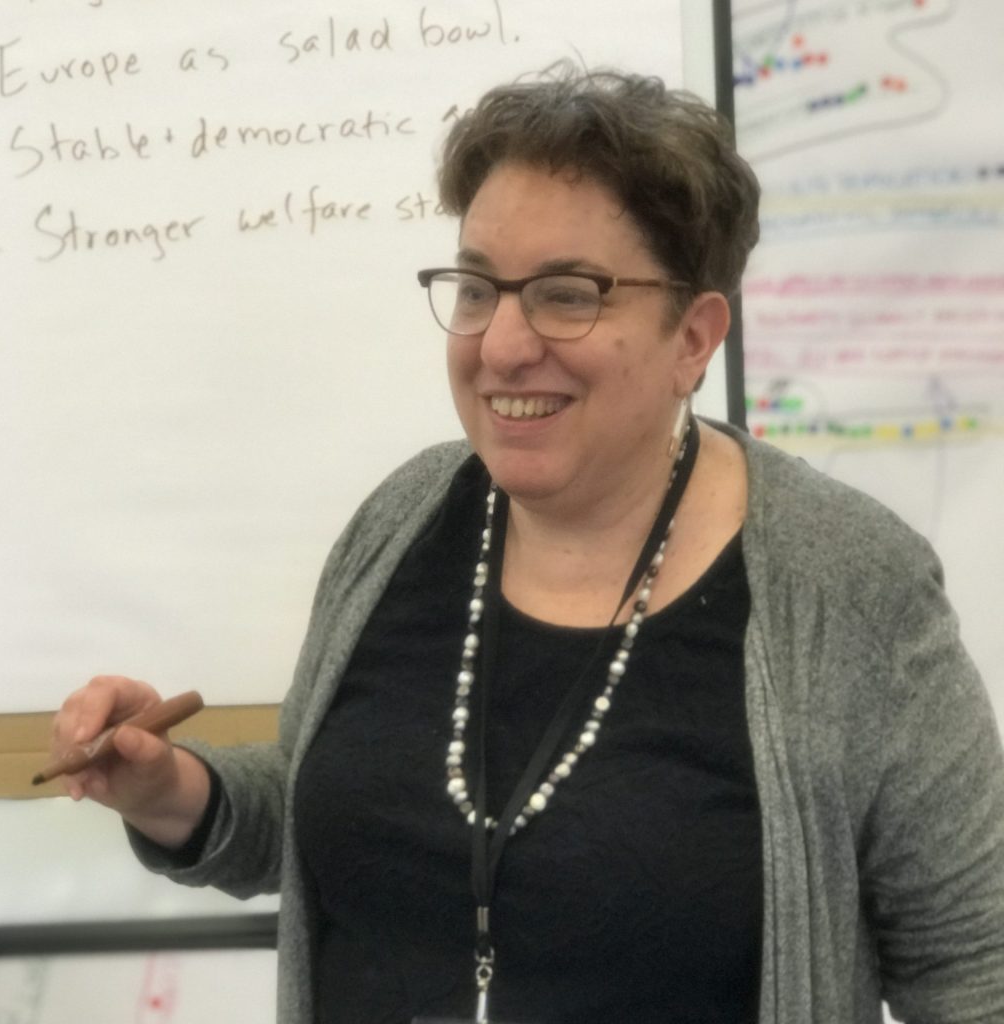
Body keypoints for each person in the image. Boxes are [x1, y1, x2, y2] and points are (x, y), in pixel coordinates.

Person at [49, 65, 1004, 1024]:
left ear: (694, 337)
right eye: (477, 288)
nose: (500, 345)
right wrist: (169, 786)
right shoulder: (403, 518)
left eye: (565, 294)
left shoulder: (847, 585)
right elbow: (323, 807)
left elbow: (978, 971)